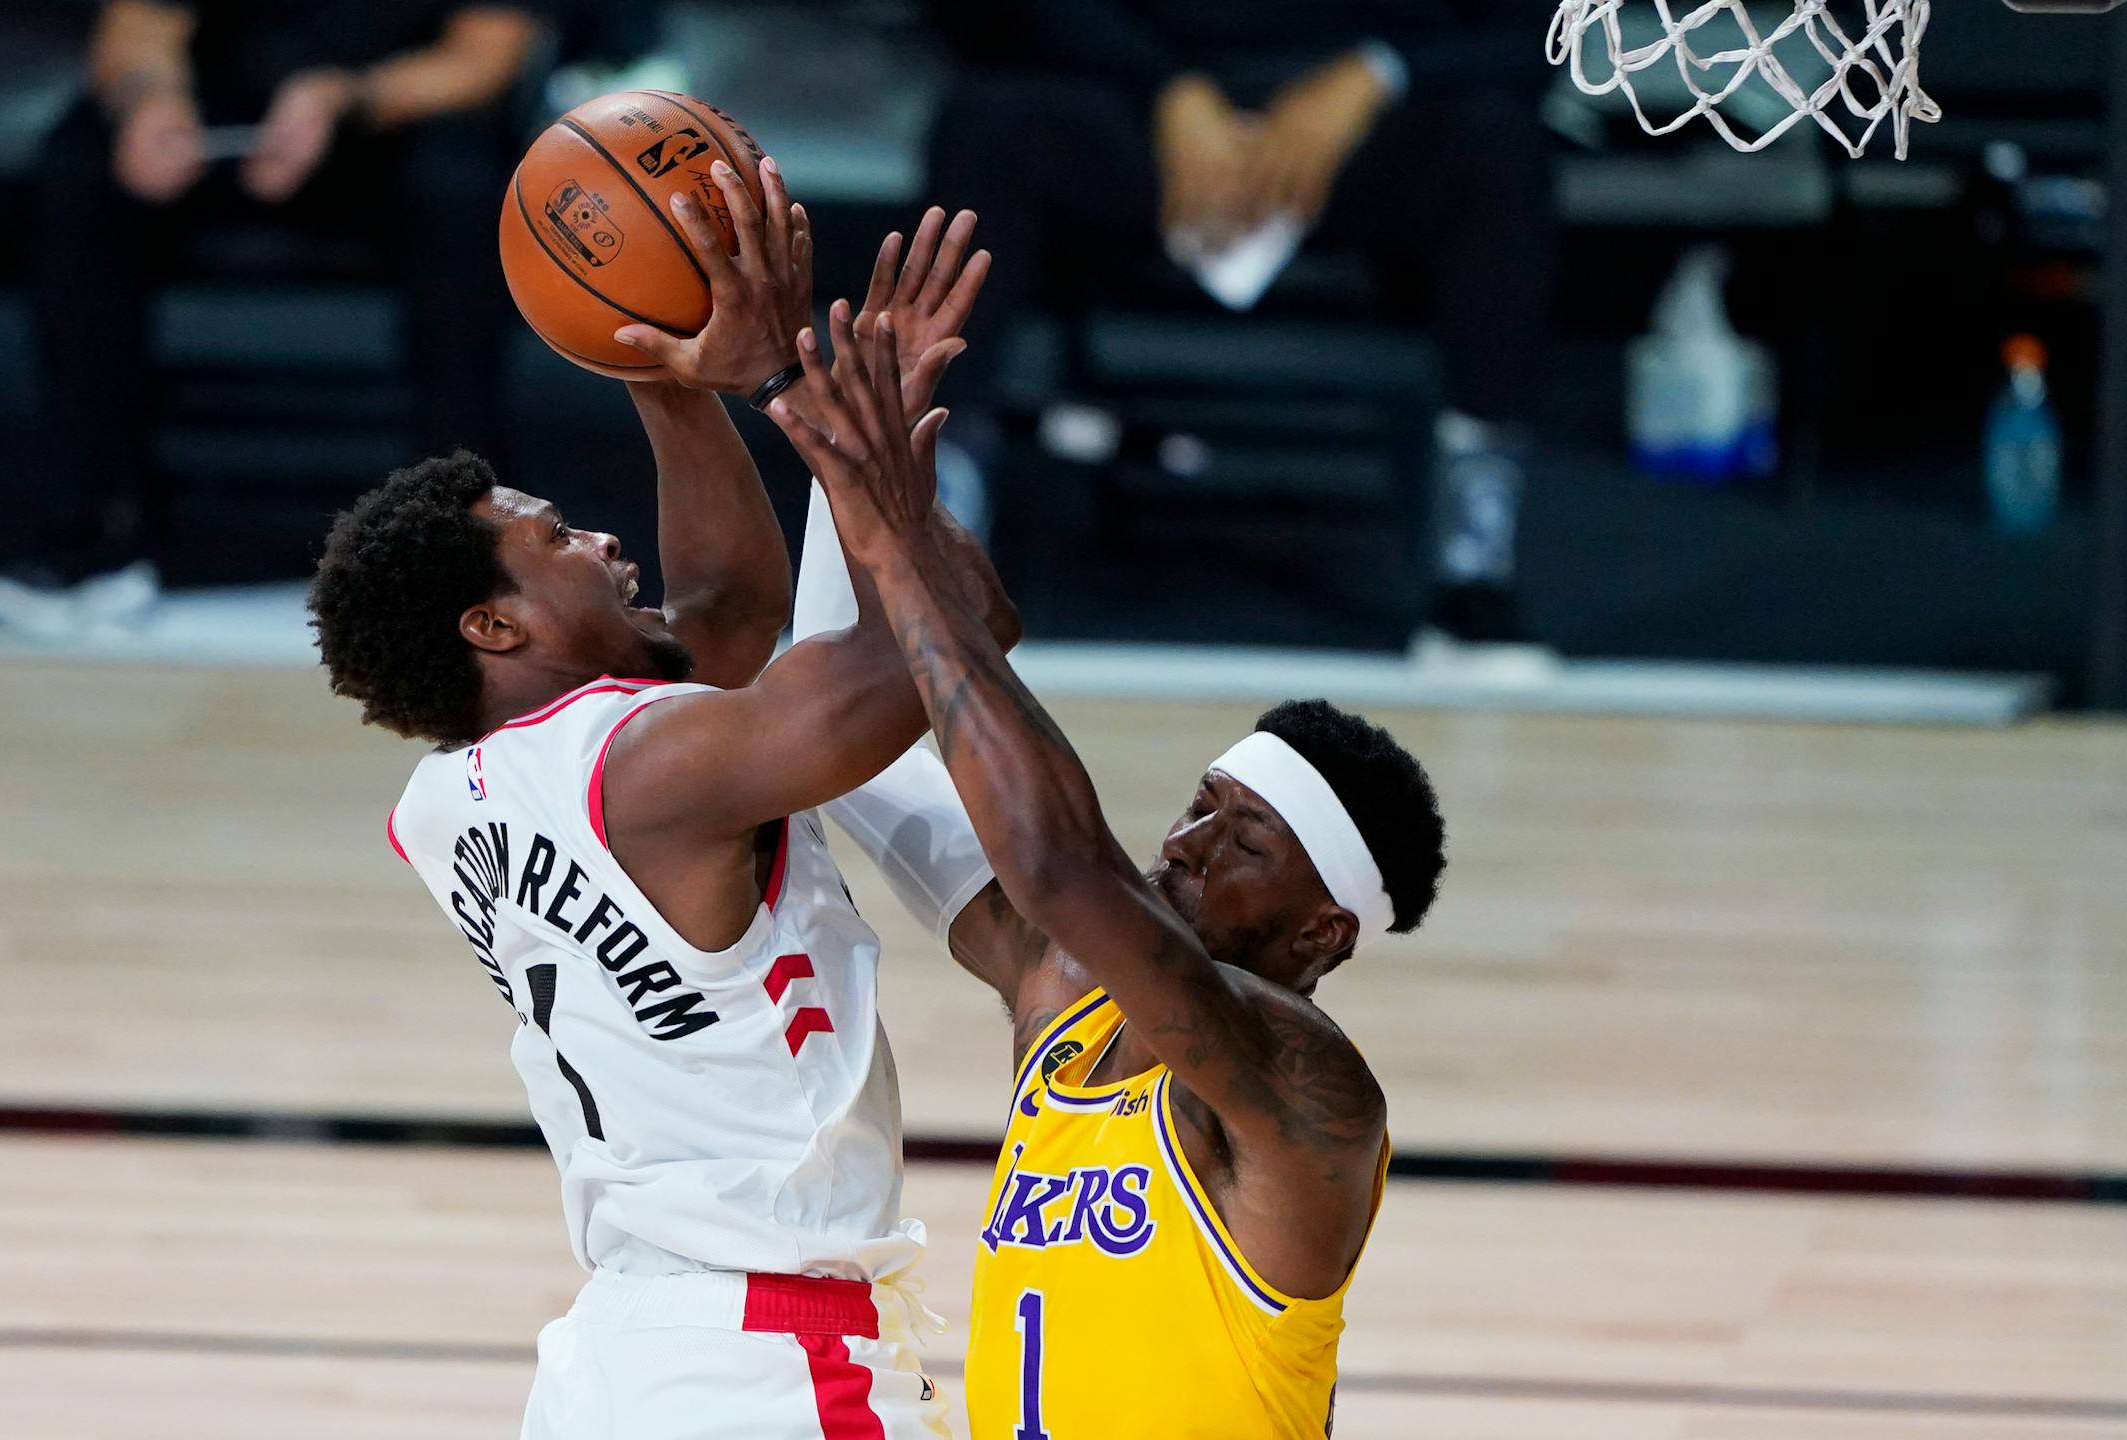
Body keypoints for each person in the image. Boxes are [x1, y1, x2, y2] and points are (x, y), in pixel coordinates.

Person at [307, 158, 1010, 1438]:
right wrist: (819, 405)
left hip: (624, 1357)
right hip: (774, 1364)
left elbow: (729, 626)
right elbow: (940, 646)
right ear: (493, 623)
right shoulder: (648, 771)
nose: (601, 540)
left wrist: (656, 366)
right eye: (556, 539)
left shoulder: (452, 802)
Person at [774, 347, 1447, 1435]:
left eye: (1246, 841)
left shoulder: (1307, 1092)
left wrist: (901, 547)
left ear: (1321, 929)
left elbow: (1057, 864)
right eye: (1200, 804)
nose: (1184, 844)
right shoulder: (1066, 997)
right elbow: (850, 749)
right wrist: (834, 432)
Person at [925, 0, 1554, 646]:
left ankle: (1475, 568)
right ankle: (942, 532)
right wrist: (1166, 89)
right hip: (1141, 106)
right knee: (987, 122)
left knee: (1498, 140)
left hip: (1367, 122)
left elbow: (1536, 35)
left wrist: (1376, 74)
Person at [0, 0, 551, 635]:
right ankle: (90, 530)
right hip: (212, 117)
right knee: (78, 168)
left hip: (390, 120)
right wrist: (148, 98)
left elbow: (485, 56)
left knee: (464, 189)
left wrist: (348, 99)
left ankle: (467, 539)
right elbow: (136, 28)